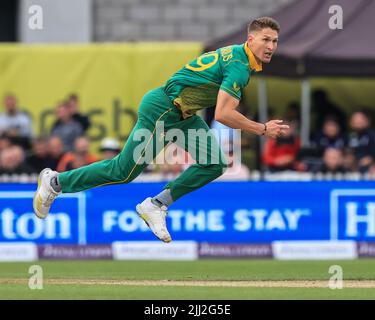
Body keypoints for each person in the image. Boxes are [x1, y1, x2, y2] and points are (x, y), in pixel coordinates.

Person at [33, 17, 289, 243]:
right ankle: (55, 182)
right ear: (250, 39)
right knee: (123, 171)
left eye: (275, 41)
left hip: (184, 114)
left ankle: (156, 205)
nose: (271, 47)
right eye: (266, 40)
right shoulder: (239, 66)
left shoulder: (237, 56)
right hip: (164, 109)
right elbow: (223, 114)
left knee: (214, 163)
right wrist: (262, 128)